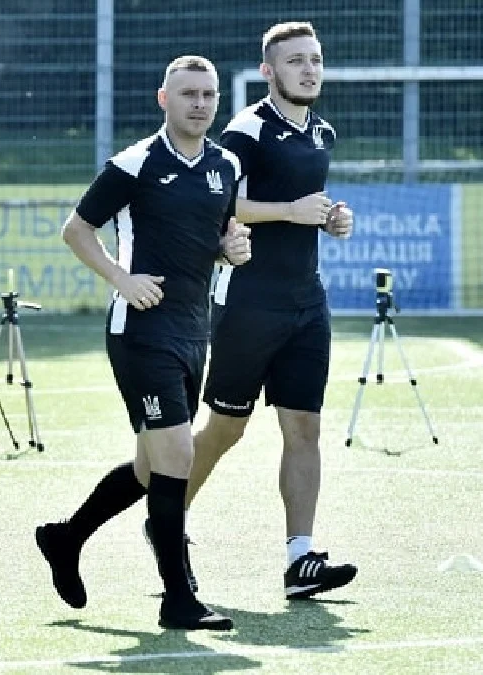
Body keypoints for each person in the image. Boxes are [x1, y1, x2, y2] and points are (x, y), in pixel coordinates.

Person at [35, 56, 248, 630]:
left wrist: (231, 249)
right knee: (177, 455)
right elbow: (76, 229)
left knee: (152, 468)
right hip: (141, 333)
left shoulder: (226, 165)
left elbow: (218, 236)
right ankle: (178, 600)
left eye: (208, 94)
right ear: (164, 99)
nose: (199, 104)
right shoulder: (135, 163)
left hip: (193, 329)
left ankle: (66, 538)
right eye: (188, 94)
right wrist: (121, 279)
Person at [186, 21, 358, 600]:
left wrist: (331, 219)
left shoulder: (323, 132)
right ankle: (166, 520)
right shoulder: (246, 131)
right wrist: (290, 210)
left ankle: (300, 558)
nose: (309, 70)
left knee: (305, 428)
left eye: (315, 59)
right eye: (295, 61)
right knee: (226, 429)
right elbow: (218, 201)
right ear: (269, 71)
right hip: (248, 303)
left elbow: (306, 209)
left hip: (307, 301)